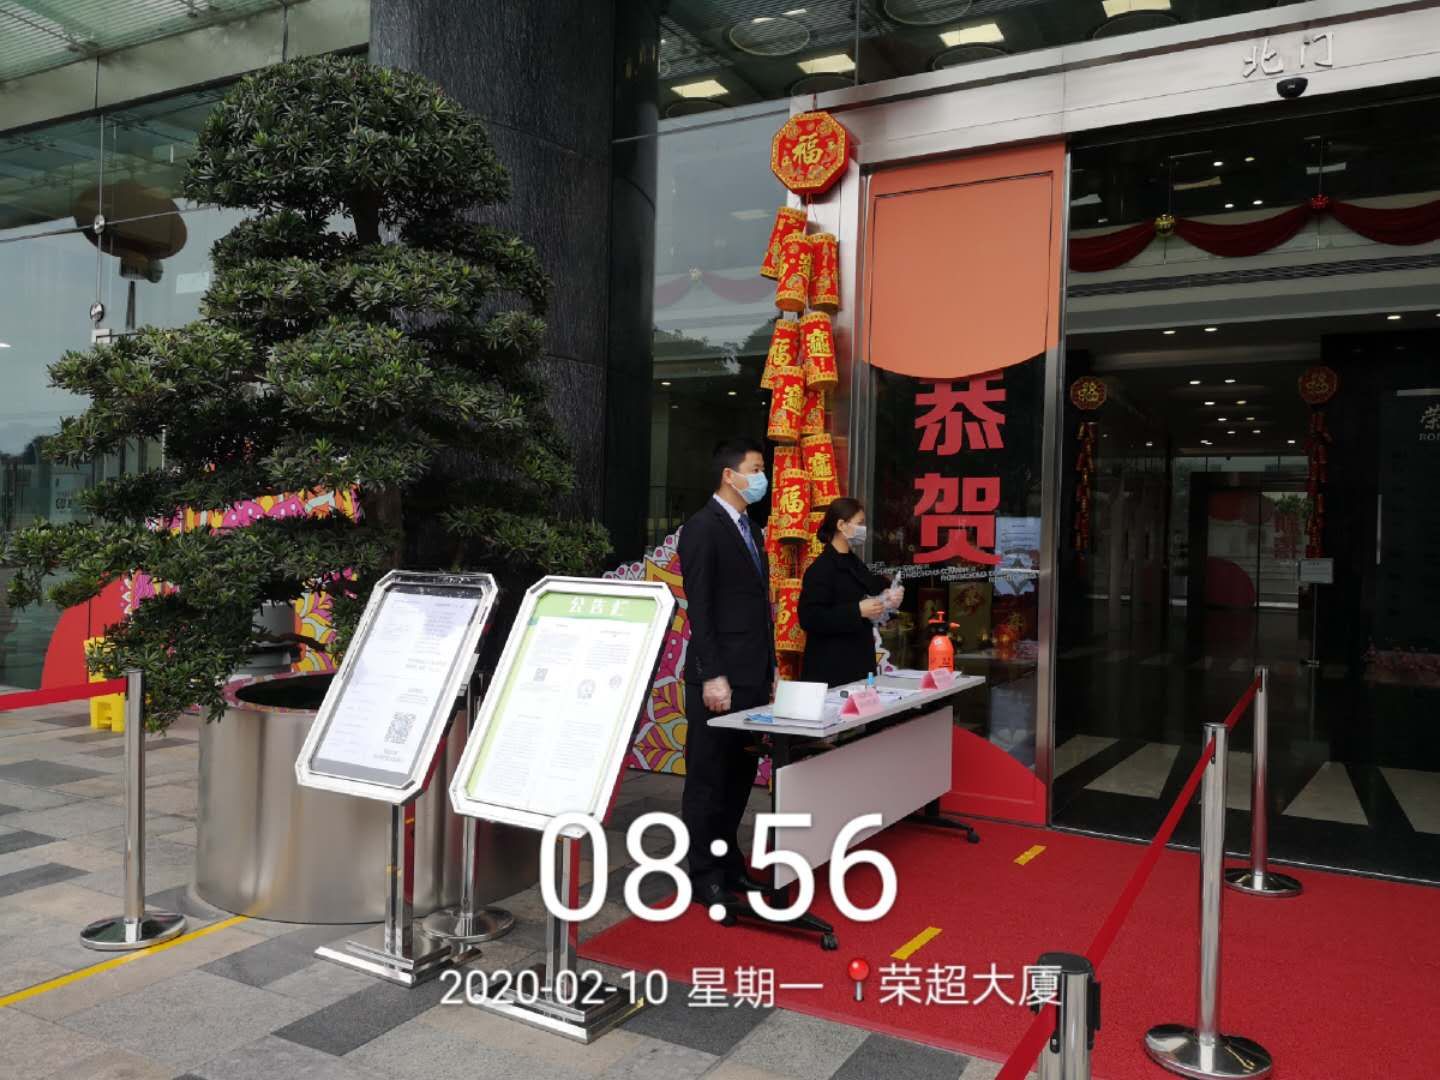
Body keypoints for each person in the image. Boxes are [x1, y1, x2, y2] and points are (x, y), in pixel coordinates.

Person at [677, 436, 775, 910]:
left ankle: (730, 862)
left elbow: (758, 608)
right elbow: (701, 607)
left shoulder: (751, 529)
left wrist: (770, 669)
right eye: (755, 469)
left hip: (752, 674)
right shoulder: (702, 528)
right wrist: (713, 674)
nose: (762, 478)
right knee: (709, 778)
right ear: (729, 476)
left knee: (739, 774)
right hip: (719, 679)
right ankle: (704, 874)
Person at [798, 497, 901, 687]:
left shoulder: (856, 564)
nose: (864, 529)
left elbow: (873, 596)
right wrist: (857, 610)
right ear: (841, 525)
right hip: (831, 669)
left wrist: (888, 600)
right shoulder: (821, 569)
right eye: (859, 523)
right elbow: (810, 618)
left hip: (860, 664)